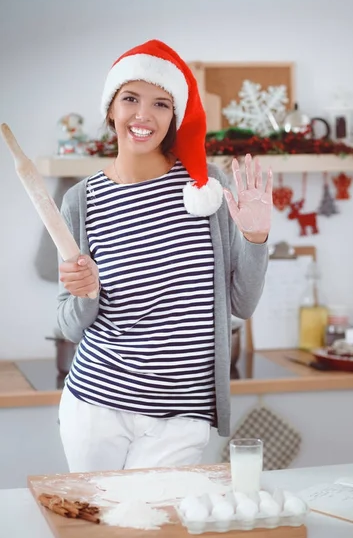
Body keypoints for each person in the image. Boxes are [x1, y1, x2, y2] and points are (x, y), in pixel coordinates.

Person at [57, 39, 273, 473]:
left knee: (158, 522)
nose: (143, 115)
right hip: (96, 405)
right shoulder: (80, 201)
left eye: (160, 103)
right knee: (96, 524)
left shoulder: (204, 189)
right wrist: (86, 291)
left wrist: (256, 236)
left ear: (174, 117)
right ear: (111, 110)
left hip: (182, 414)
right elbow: (66, 325)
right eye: (130, 99)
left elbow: (241, 305)